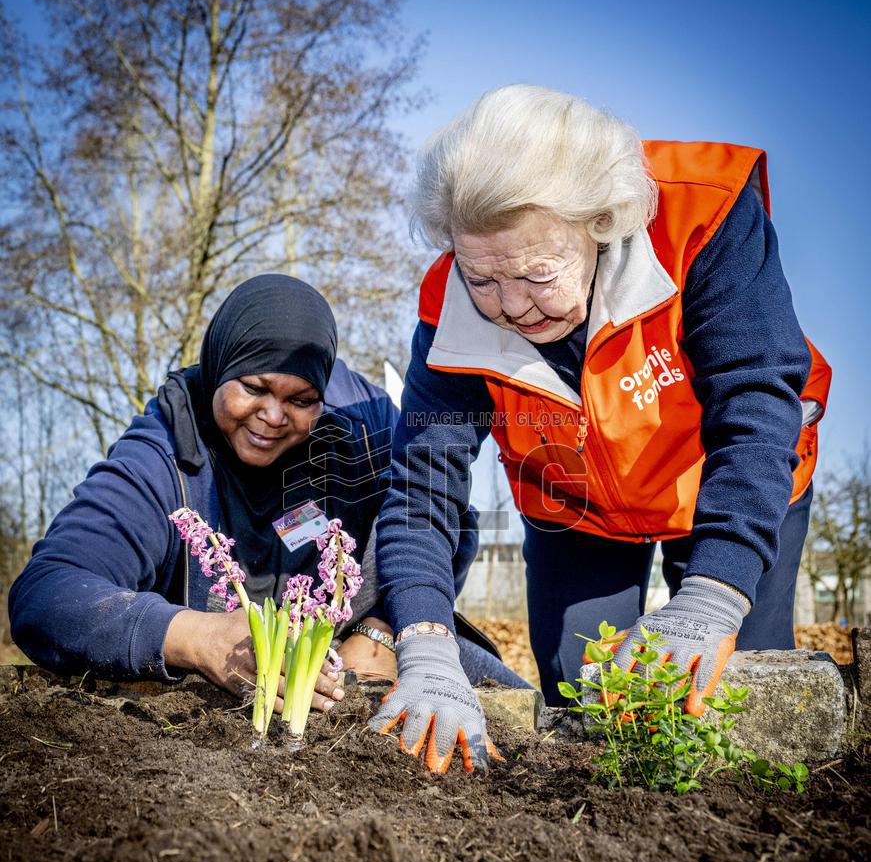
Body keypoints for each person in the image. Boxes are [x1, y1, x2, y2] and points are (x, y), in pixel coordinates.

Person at [370, 84, 831, 773]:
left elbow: (754, 405)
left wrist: (712, 594)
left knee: (740, 694)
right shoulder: (450, 305)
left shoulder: (701, 218)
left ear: (600, 221)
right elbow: (422, 486)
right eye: (483, 278)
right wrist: (427, 643)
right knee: (584, 704)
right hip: (575, 503)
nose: (511, 307)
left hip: (728, 477)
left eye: (536, 272)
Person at [9, 274, 522, 717]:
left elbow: (440, 518)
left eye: (300, 401)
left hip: (361, 649)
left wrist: (383, 632)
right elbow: (47, 594)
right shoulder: (159, 463)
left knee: (526, 717)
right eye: (253, 388)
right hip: (214, 674)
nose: (273, 417)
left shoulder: (362, 424)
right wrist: (196, 638)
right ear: (221, 364)